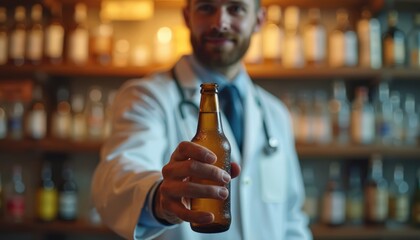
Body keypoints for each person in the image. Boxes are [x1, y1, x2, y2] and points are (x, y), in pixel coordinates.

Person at [91, 0, 312, 239]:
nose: (220, 23)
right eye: (207, 7)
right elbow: (117, 175)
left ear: (258, 20)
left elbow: (291, 219)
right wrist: (160, 199)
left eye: (236, 8)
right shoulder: (146, 97)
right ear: (187, 17)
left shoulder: (274, 112)